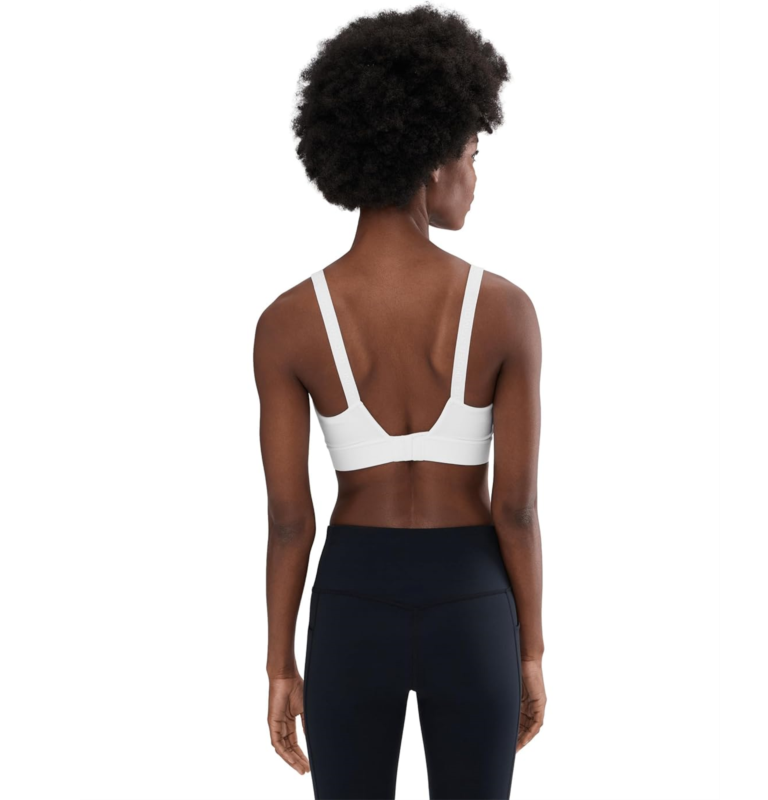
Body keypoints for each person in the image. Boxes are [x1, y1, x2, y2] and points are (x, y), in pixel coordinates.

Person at [253, 5, 545, 798]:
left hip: (352, 600)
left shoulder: (288, 322)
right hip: (473, 599)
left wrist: (280, 664)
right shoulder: (506, 311)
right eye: (473, 155)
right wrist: (530, 652)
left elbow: (289, 521)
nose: (475, 179)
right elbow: (516, 511)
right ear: (431, 161)